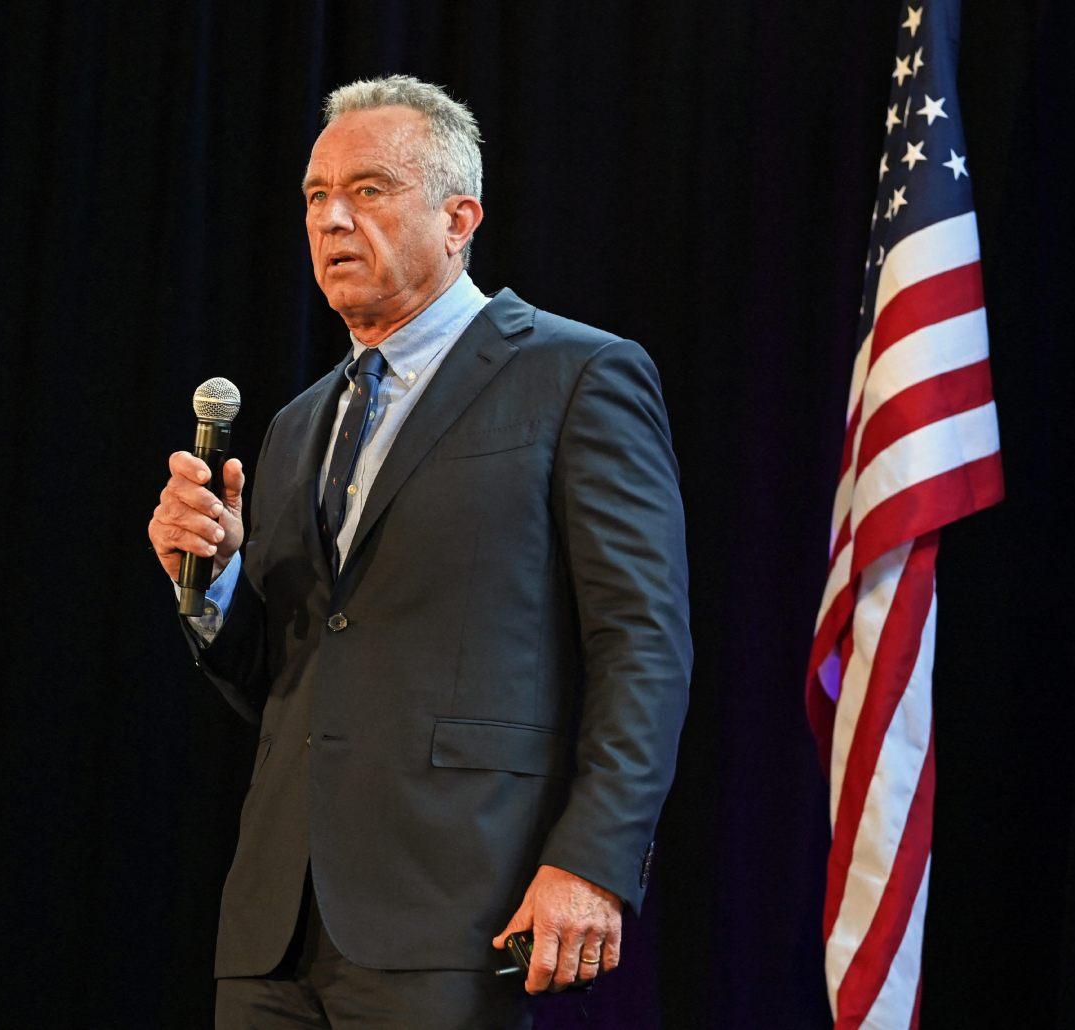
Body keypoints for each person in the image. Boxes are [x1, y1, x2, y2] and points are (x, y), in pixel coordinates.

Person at [147, 74, 692, 1028]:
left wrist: (593, 862)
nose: (333, 221)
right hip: (278, 928)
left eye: (368, 190)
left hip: (461, 910)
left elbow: (642, 644)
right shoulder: (297, 425)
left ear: (459, 217)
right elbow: (288, 680)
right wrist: (216, 582)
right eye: (317, 197)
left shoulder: (578, 376)